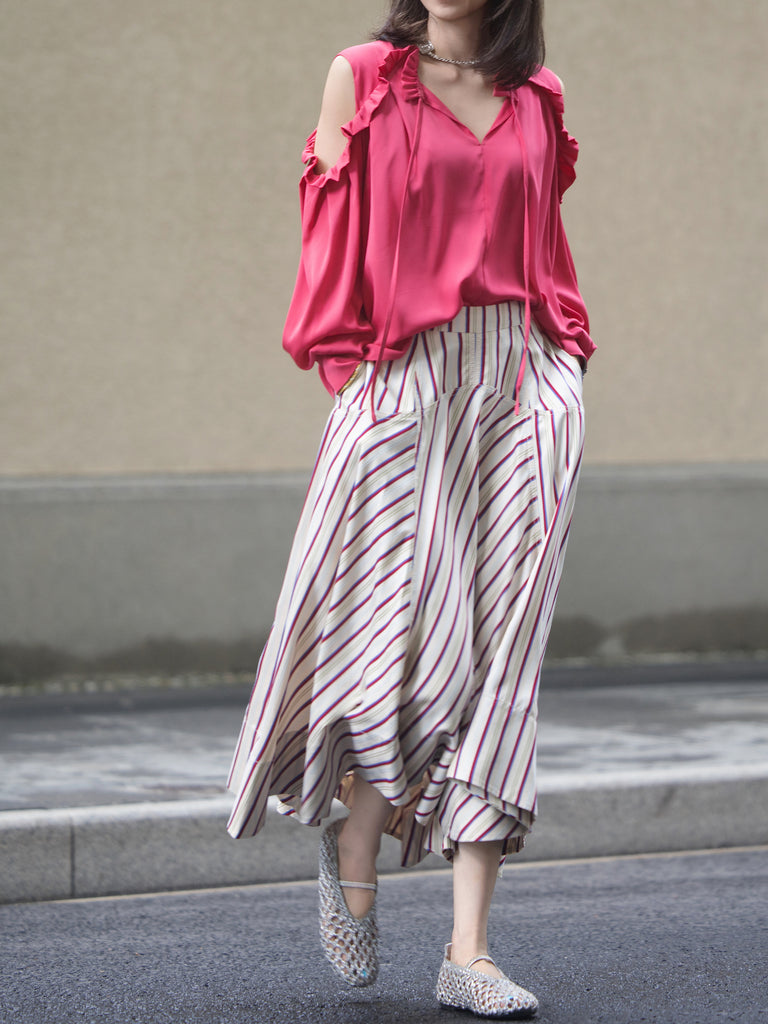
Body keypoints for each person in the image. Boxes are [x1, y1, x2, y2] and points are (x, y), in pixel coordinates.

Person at [227, 0, 594, 1016]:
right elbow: (328, 236)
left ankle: (470, 950)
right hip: (404, 383)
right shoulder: (363, 76)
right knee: (409, 637)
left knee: (503, 655)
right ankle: (356, 832)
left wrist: (564, 365)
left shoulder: (540, 97)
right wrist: (358, 380)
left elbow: (547, 249)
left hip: (522, 385)